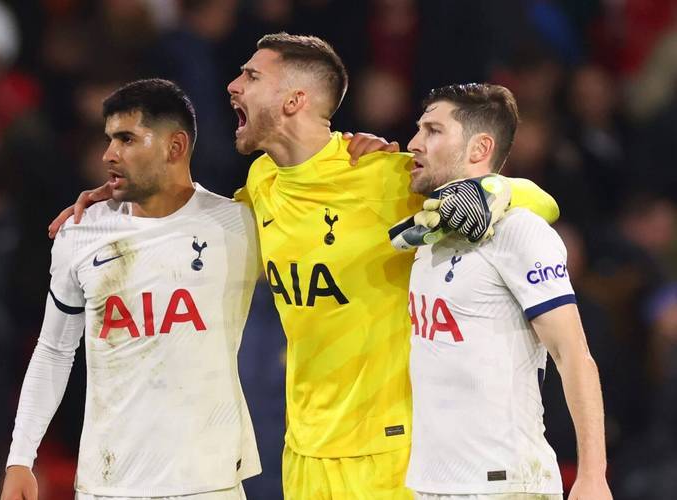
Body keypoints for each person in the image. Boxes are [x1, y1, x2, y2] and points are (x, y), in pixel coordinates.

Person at [49, 34, 560, 499]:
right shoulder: (263, 182)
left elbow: (539, 203)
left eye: (252, 76)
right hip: (303, 455)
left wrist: (489, 190)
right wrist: (127, 199)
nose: (233, 85)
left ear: (294, 100)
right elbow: (195, 225)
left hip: (390, 453)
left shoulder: (384, 175)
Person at [1, 79, 261, 500]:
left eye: (126, 139)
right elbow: (53, 350)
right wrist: (20, 458)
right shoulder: (80, 232)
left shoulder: (239, 225)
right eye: (109, 139)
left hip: (209, 481)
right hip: (108, 483)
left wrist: (360, 152)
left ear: (175, 147)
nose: (108, 154)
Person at [403, 83, 612, 499]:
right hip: (430, 483)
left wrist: (593, 475)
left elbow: (573, 354)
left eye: (433, 130)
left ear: (480, 148)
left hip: (505, 482)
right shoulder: (429, 235)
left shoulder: (519, 231)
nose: (414, 143)